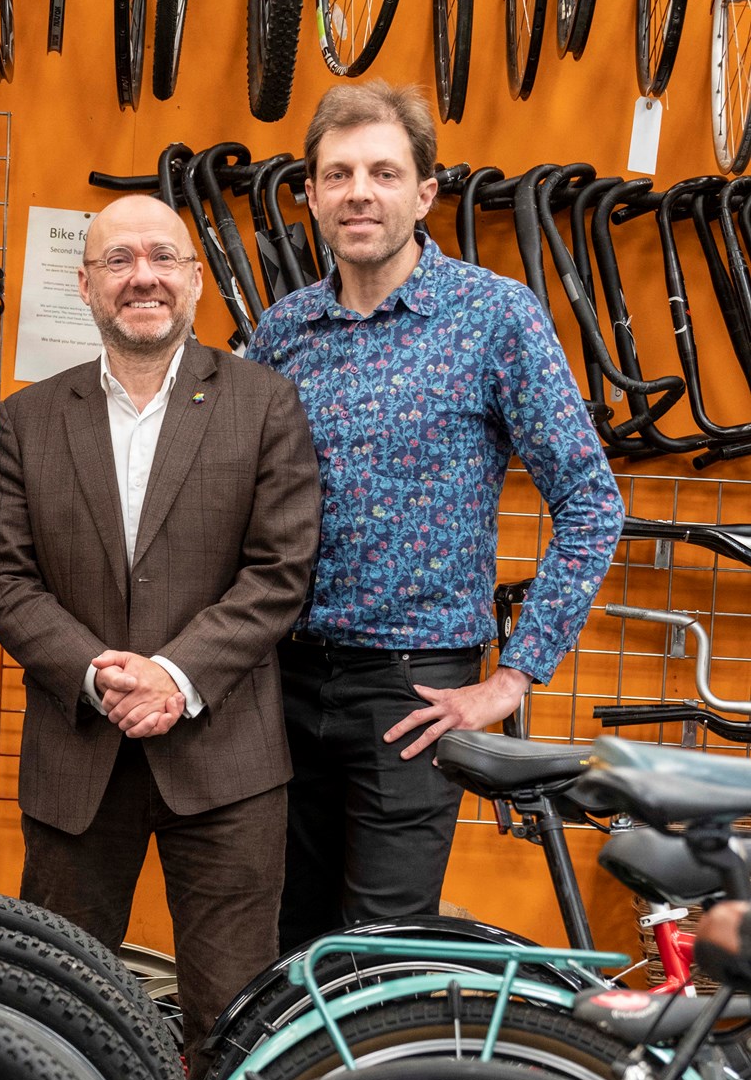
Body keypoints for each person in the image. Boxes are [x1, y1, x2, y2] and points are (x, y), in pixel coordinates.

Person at [247, 80, 625, 950]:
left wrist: (514, 677)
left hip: (416, 688)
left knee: (380, 947)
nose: (358, 192)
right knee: (283, 938)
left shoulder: (494, 319)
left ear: (424, 193)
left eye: (383, 171)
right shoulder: (281, 332)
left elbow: (590, 501)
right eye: (336, 174)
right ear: (309, 195)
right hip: (280, 679)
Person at [0, 194, 322, 1080]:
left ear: (196, 281)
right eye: (118, 260)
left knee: (235, 1018)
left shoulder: (263, 403)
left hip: (227, 760)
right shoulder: (28, 418)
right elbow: (4, 578)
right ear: (85, 284)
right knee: (54, 1007)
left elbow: (281, 570)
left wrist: (174, 675)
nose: (143, 277)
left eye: (163, 257)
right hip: (78, 754)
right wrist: (96, 673)